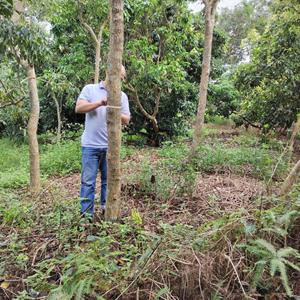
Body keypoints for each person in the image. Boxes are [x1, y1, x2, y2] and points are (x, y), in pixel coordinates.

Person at [75, 65, 130, 217]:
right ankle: (86, 216)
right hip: (90, 146)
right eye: (119, 75)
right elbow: (79, 108)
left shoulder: (122, 96)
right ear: (108, 73)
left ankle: (106, 211)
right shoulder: (90, 89)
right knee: (88, 182)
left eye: (122, 77)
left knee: (108, 181)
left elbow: (126, 119)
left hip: (110, 147)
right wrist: (100, 103)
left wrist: (114, 108)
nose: (120, 79)